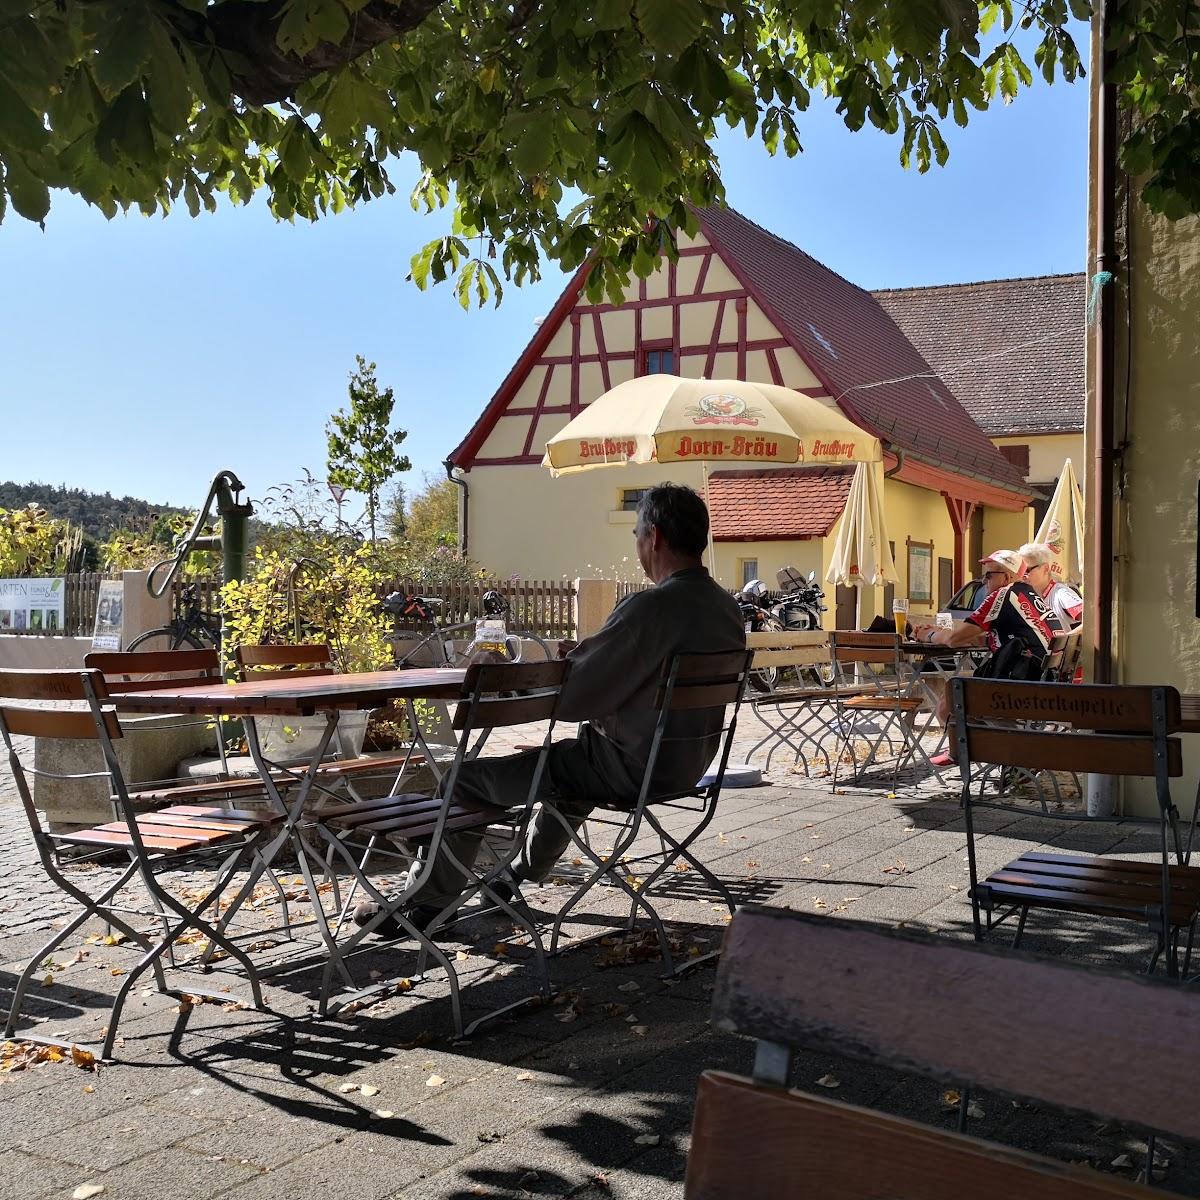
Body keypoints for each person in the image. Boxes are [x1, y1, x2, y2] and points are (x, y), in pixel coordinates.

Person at [355, 483, 747, 934]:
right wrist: (593, 652)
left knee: (465, 778)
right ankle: (512, 876)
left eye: (637, 533)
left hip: (627, 767)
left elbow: (576, 699)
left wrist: (572, 662)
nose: (637, 544)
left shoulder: (652, 605)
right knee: (570, 772)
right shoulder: (724, 608)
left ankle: (426, 904)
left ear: (654, 537)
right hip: (685, 766)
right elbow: (635, 669)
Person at [912, 550, 1063, 747]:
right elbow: (992, 638)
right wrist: (947, 634)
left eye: (989, 575)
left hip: (1022, 689)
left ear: (1007, 577)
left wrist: (928, 635)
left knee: (948, 700)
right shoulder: (1027, 594)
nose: (984, 581)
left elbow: (954, 639)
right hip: (1045, 684)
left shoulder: (1002, 595)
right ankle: (992, 749)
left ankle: (969, 752)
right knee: (959, 695)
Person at [1018, 542, 1083, 630]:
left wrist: (1064, 638)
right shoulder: (1023, 595)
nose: (1022, 575)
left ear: (1046, 568)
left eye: (1027, 570)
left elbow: (1091, 621)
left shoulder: (1061, 594)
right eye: (1020, 571)